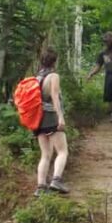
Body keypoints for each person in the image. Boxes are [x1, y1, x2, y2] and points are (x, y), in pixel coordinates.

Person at [33, 49, 70, 197]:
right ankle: (56, 180)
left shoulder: (37, 78)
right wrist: (60, 117)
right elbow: (54, 96)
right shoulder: (53, 76)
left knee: (45, 154)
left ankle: (41, 187)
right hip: (50, 116)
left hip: (38, 118)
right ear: (54, 61)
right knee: (62, 151)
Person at [87, 32, 112, 123]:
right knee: (109, 96)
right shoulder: (102, 53)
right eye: (106, 41)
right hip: (109, 75)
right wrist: (91, 74)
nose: (107, 43)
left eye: (108, 41)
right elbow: (98, 66)